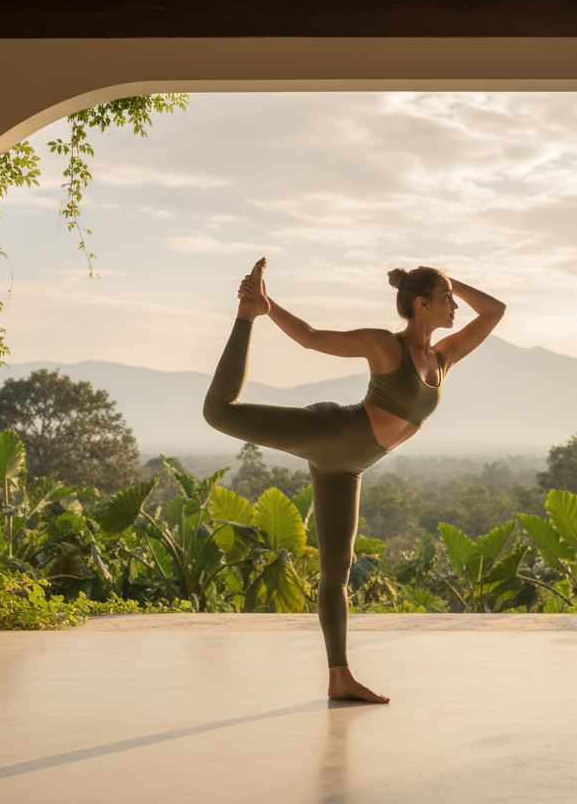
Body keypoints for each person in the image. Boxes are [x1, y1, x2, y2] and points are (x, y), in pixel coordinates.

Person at [203, 258, 505, 702]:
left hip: (347, 468)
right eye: (446, 299)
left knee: (336, 573)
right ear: (422, 305)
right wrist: (265, 307)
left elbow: (495, 310)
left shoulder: (444, 356)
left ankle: (339, 677)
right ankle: (245, 317)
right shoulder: (386, 346)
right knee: (218, 412)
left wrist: (444, 279)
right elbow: (310, 338)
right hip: (331, 432)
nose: (455, 305)